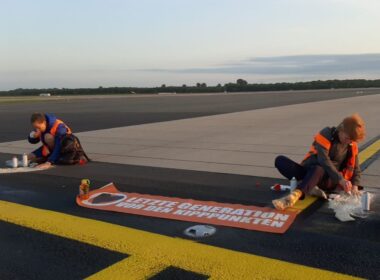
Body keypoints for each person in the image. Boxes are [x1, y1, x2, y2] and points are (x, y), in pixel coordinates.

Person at [272, 113, 366, 211]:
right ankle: (311, 186)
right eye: (347, 138)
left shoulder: (351, 145)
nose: (348, 142)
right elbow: (323, 159)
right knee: (280, 160)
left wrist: (354, 185)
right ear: (341, 129)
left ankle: (294, 196)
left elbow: (355, 168)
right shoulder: (327, 134)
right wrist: (341, 179)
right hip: (309, 170)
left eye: (351, 140)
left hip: (328, 179)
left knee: (318, 169)